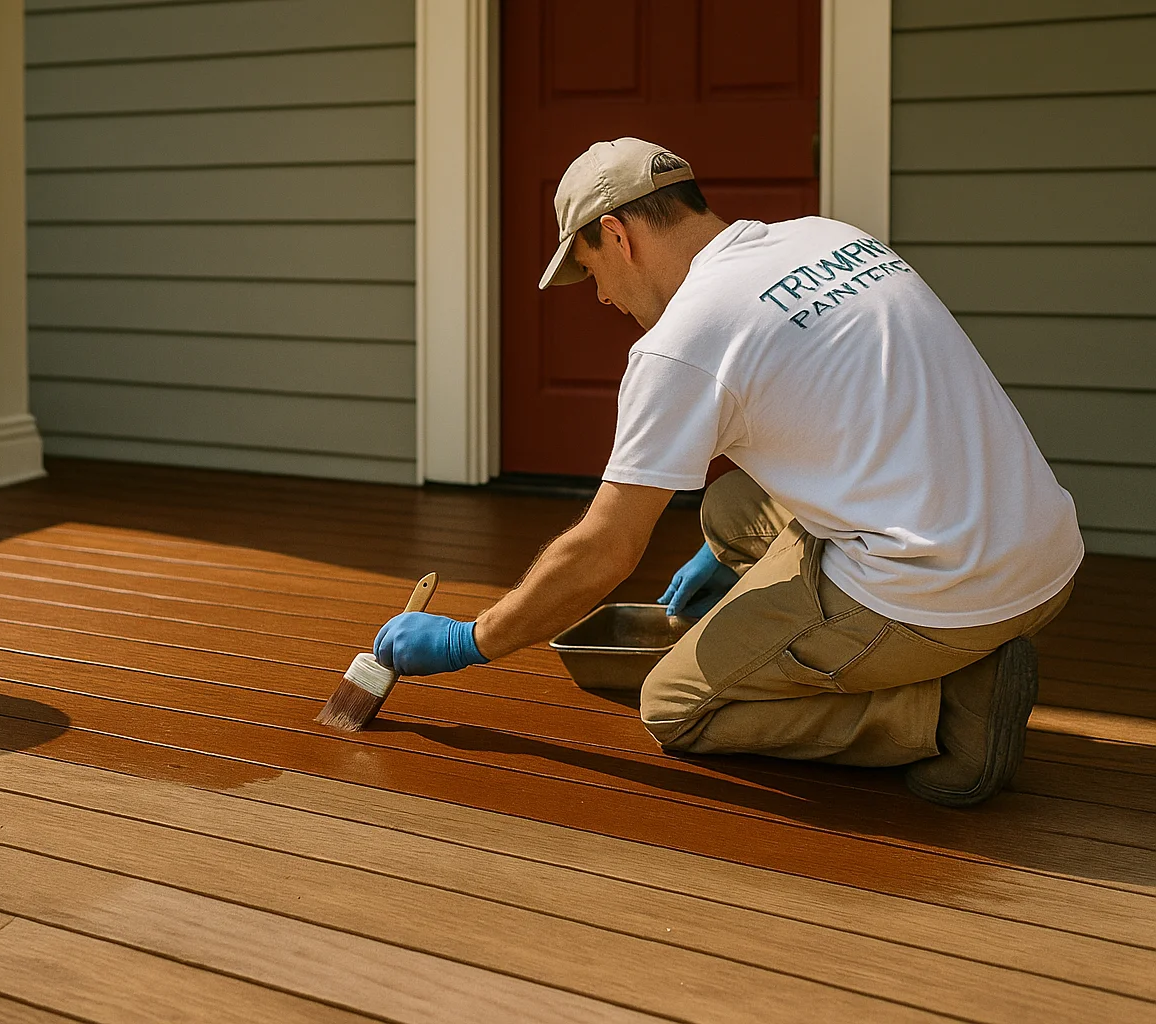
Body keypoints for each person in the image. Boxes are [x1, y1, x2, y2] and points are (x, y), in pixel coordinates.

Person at [372, 138, 1083, 807]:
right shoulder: (828, 236)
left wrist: (473, 639)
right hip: (1047, 557)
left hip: (944, 597)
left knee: (677, 706)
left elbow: (606, 550)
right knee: (729, 507)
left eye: (591, 271)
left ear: (618, 235)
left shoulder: (684, 343)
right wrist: (723, 551)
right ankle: (914, 648)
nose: (602, 299)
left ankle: (941, 708)